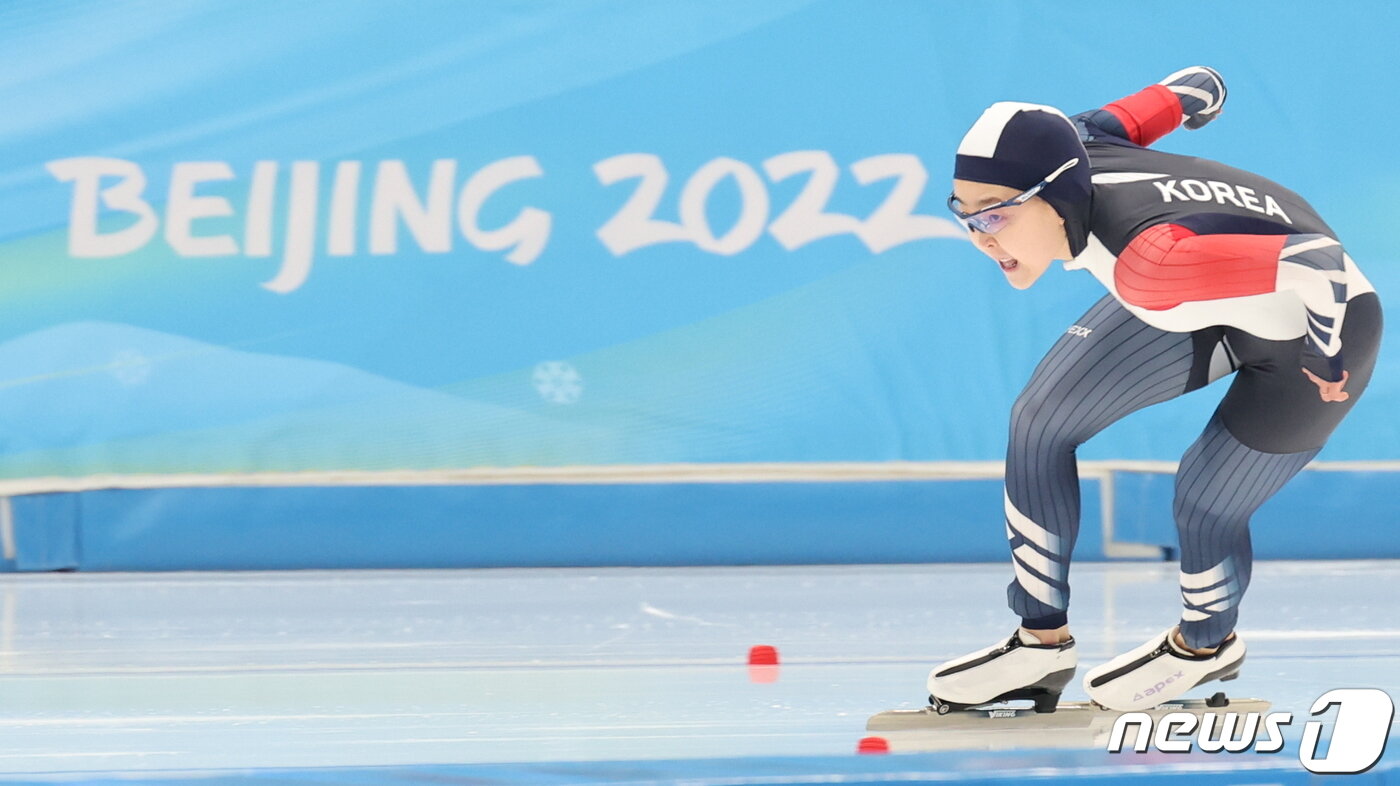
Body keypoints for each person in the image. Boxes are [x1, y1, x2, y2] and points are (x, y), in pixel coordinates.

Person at [926, 66, 1383, 713]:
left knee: (1204, 500)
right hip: (1214, 282)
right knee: (1040, 419)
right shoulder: (1078, 139)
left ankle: (1206, 644)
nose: (981, 238)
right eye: (964, 216)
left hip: (1314, 329)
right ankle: (1039, 640)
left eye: (995, 215)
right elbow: (1176, 94)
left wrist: (1331, 352)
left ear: (1055, 195)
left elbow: (1317, 262)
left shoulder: (1152, 263)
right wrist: (1199, 97)